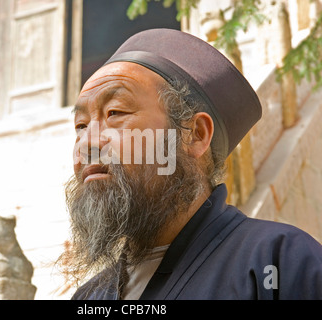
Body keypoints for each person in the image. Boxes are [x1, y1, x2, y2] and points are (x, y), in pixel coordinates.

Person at [57, 29, 322, 300]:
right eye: (81, 125)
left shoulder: (280, 262)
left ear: (195, 134)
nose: (87, 143)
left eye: (115, 112)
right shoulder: (90, 297)